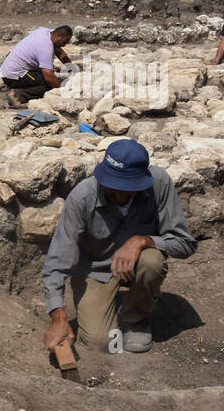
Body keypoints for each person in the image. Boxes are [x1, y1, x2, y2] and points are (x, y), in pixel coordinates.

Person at [41, 139, 196, 356]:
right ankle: (109, 306)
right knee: (101, 343)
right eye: (112, 189)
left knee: (152, 260)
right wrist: (57, 316)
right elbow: (58, 259)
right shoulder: (82, 196)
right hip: (95, 269)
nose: (118, 196)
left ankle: (136, 318)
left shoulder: (159, 184)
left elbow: (185, 243)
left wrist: (143, 240)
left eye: (127, 190)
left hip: (137, 264)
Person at [0, 26, 73, 107]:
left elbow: (58, 50)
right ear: (58, 36)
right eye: (65, 41)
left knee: (55, 80)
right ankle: (18, 95)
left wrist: (72, 68)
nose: (64, 45)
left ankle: (23, 91)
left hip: (12, 70)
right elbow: (49, 77)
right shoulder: (45, 47)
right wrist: (64, 92)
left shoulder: (46, 32)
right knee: (50, 85)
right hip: (14, 76)